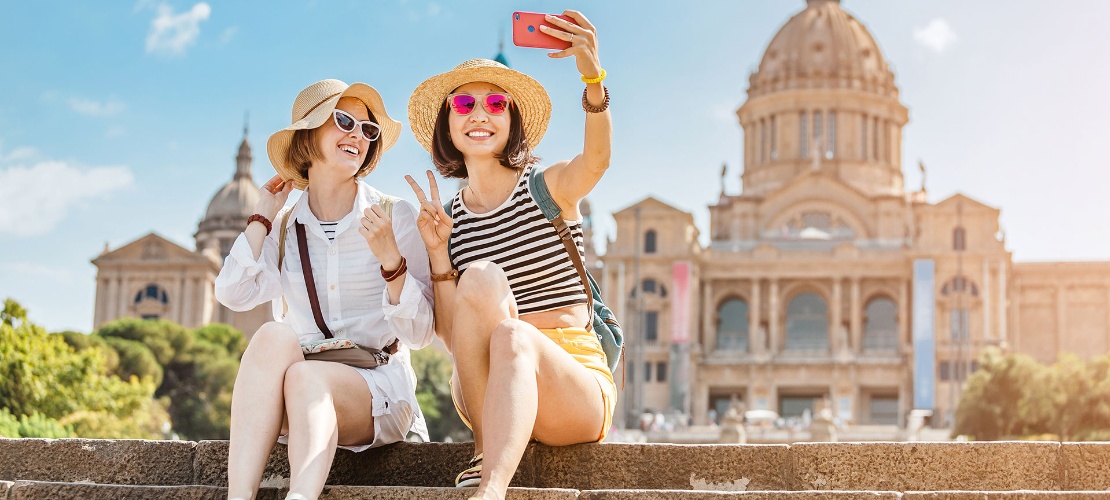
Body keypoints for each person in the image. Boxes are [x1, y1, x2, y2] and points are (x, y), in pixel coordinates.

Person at [404, 10, 611, 500]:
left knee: (514, 336)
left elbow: (597, 161)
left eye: (497, 103)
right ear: (447, 124)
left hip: (572, 387)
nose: (480, 113)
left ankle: (490, 489)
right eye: (464, 104)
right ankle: (486, 453)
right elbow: (459, 343)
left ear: (514, 121)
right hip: (489, 392)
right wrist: (437, 255)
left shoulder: (548, 187)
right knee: (479, 281)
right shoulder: (448, 219)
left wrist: (594, 80)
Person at [215, 79, 435, 500]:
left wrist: (392, 263)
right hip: (299, 390)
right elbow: (232, 292)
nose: (358, 135)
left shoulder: (396, 216)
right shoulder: (283, 226)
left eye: (368, 130)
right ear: (308, 134)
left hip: (377, 388)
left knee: (305, 376)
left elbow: (420, 335)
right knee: (272, 335)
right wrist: (262, 215)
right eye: (344, 120)